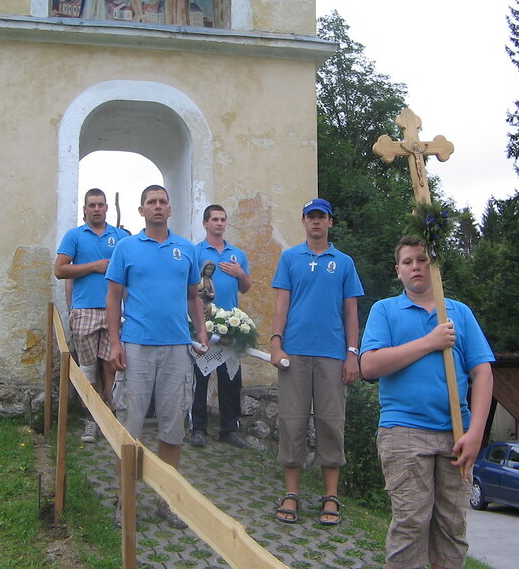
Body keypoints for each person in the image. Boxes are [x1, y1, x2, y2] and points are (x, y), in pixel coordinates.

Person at [360, 235, 494, 569]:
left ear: (435, 268)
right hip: (403, 430)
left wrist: (476, 433)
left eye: (423, 260)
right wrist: (430, 341)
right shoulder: (385, 310)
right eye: (408, 262)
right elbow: (369, 366)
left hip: (456, 434)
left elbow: (482, 373)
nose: (416, 267)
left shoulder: (459, 313)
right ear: (398, 271)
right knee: (411, 522)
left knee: (452, 527)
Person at [105, 184, 209, 529]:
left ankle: (168, 501)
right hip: (136, 346)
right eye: (152, 202)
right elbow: (113, 297)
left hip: (177, 348)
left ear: (170, 209)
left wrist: (201, 330)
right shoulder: (126, 248)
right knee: (130, 428)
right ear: (142, 210)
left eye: (163, 201)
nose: (158, 206)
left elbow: (193, 296)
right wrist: (115, 343)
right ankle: (125, 500)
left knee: (173, 427)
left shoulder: (187, 249)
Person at [269, 198, 364, 525]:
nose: (316, 222)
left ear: (330, 222)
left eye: (321, 217)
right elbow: (281, 303)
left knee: (331, 423)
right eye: (310, 216)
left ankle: (331, 496)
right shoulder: (289, 258)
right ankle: (291, 494)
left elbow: (351, 311)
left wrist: (352, 353)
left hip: (332, 355)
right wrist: (276, 343)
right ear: (303, 221)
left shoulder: (344, 262)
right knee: (292, 422)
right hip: (294, 353)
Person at [54, 188, 129, 443]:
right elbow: (60, 270)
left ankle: (112, 417)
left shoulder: (120, 237)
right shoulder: (74, 236)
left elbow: (131, 272)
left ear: (107, 208)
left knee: (112, 366)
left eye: (100, 205)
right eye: (92, 205)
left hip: (114, 311)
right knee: (88, 369)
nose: (96, 209)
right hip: (84, 309)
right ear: (85, 209)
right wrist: (93, 266)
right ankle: (91, 420)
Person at [189, 205, 252, 449]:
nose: (219, 223)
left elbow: (246, 287)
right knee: (200, 379)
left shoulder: (237, 254)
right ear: (205, 223)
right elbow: (189, 287)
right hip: (203, 323)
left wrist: (240, 273)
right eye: (214, 219)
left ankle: (229, 429)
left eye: (222, 219)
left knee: (231, 380)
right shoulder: (195, 252)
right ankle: (198, 429)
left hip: (230, 324)